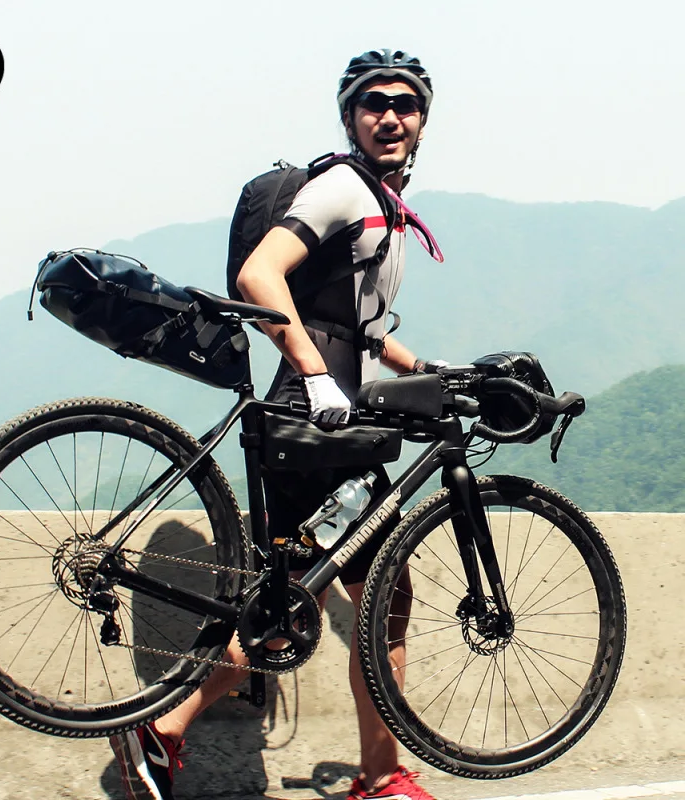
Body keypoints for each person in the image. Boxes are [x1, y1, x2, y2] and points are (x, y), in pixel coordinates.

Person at [110, 48, 440, 800]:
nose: (391, 116)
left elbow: (359, 329)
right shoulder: (342, 188)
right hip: (312, 424)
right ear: (350, 118)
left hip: (336, 427)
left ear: (424, 121)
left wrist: (428, 370)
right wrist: (316, 374)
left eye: (406, 104)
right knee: (359, 603)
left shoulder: (382, 204)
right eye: (375, 103)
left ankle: (168, 730)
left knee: (304, 608)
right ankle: (377, 777)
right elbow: (259, 276)